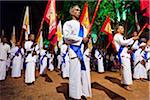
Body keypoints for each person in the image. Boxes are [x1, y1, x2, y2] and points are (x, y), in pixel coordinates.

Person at [63, 5, 91, 99]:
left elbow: (87, 40)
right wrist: (81, 39)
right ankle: (74, 96)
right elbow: (66, 37)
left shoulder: (83, 26)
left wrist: (89, 39)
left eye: (79, 10)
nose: (79, 11)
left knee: (83, 73)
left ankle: (83, 93)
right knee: (75, 74)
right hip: (74, 52)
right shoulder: (68, 23)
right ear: (71, 12)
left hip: (83, 53)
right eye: (76, 10)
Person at [113, 25, 138, 90]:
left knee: (126, 69)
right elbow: (123, 43)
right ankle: (126, 84)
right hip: (122, 55)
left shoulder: (121, 36)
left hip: (126, 54)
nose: (122, 29)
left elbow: (127, 44)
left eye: (123, 28)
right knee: (126, 69)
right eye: (121, 28)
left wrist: (133, 40)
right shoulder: (117, 36)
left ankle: (124, 82)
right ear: (117, 30)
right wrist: (132, 38)